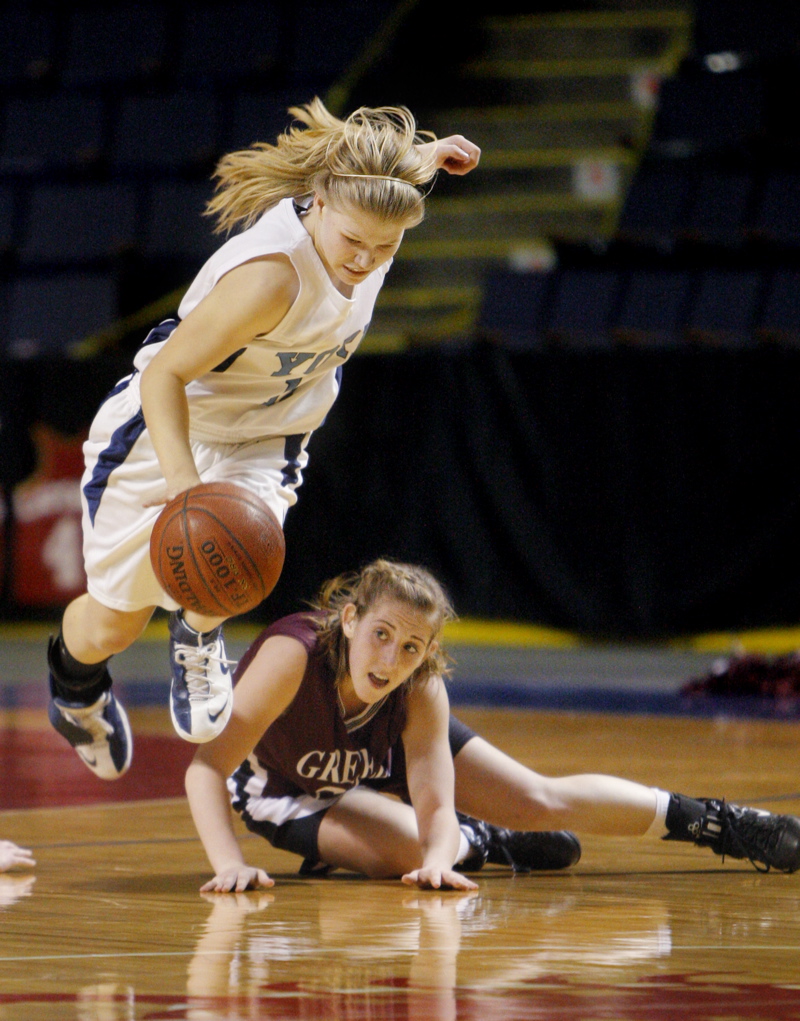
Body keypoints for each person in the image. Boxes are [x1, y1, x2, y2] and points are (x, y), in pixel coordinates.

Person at [45, 100, 481, 779]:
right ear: (318, 204)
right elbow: (164, 376)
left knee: (235, 554)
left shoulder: (370, 215)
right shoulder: (271, 277)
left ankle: (198, 633)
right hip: (168, 424)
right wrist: (188, 490)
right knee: (113, 624)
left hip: (266, 435)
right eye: (353, 243)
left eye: (385, 247)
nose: (365, 261)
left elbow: (379, 192)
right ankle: (74, 691)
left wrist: (427, 158)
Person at [185, 559, 800, 893]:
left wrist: (438, 855)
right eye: (381, 635)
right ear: (348, 620)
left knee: (536, 797)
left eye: (410, 647)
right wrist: (227, 863)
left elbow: (433, 795)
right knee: (402, 851)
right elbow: (206, 767)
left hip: (374, 756)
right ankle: (488, 842)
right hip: (285, 786)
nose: (391, 658)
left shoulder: (418, 687)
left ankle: (722, 823)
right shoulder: (292, 659)